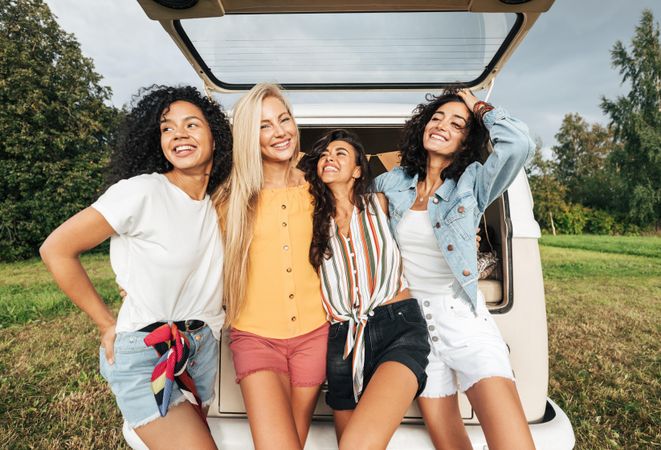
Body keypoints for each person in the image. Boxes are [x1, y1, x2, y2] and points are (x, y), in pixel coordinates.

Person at [40, 85, 232, 449]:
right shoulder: (142, 192)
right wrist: (104, 322)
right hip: (147, 353)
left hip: (200, 352)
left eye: (192, 125)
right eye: (167, 128)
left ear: (215, 136)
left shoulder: (219, 202)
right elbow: (56, 249)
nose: (178, 135)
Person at [375, 89, 536, 450]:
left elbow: (519, 144)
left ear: (467, 138)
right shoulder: (391, 184)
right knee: (450, 444)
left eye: (456, 123)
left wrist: (479, 107)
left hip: (464, 322)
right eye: (436, 119)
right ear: (422, 127)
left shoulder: (473, 183)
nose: (442, 126)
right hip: (414, 330)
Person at [214, 83, 328, 450]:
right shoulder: (228, 199)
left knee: (295, 438)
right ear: (249, 135)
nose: (280, 131)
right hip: (255, 337)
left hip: (315, 334)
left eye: (284, 119)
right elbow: (190, 255)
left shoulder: (320, 187)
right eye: (265, 125)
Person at [301, 129, 430, 449]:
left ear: (358, 169)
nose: (329, 157)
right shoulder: (308, 216)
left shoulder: (383, 203)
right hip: (342, 340)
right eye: (324, 155)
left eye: (340, 153)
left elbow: (429, 221)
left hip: (398, 327)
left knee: (357, 444)